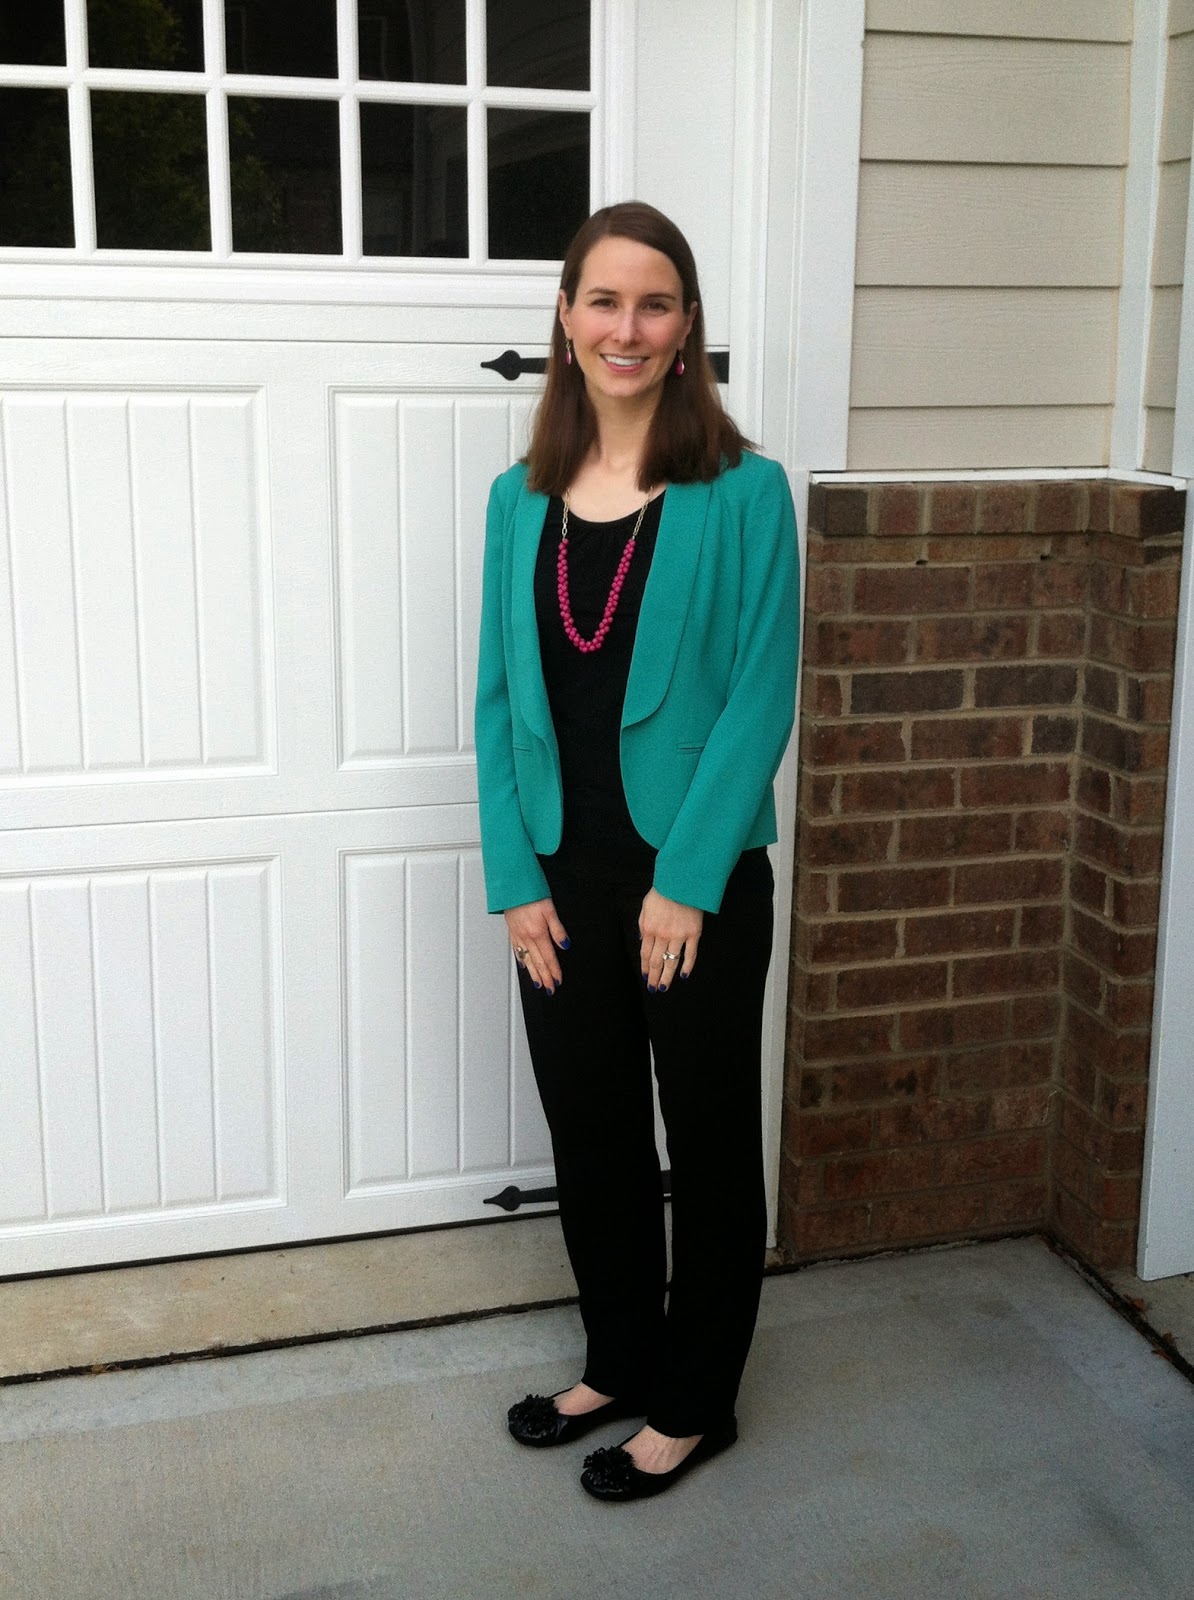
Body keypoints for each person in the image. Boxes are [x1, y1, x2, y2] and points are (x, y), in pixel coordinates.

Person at [474, 201, 799, 1502]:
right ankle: (616, 1356)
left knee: (707, 1144)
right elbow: (496, 701)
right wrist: (511, 882)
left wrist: (686, 880)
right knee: (592, 1136)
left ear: (685, 330)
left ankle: (693, 1400)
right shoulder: (520, 501)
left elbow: (758, 697)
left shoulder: (744, 492)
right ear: (564, 321)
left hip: (691, 889)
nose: (625, 327)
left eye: (653, 303)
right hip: (557, 882)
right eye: (602, 301)